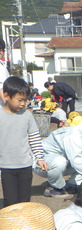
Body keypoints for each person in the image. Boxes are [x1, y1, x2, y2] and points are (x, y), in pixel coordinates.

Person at [0, 76, 48, 206]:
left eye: (25, 100)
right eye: (20, 100)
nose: (23, 104)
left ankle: (24, 225)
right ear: (6, 95)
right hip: (6, 167)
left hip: (25, 166)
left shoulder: (27, 115)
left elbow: (34, 138)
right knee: (10, 202)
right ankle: (10, 225)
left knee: (25, 201)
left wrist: (39, 158)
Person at [34, 117, 82, 197]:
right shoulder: (73, 136)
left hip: (66, 163)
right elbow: (77, 162)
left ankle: (72, 185)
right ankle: (54, 187)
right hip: (43, 164)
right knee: (60, 162)